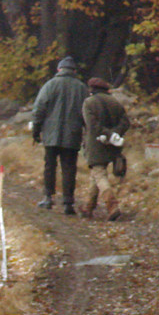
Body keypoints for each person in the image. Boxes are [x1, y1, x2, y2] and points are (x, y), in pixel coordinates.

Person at [31, 56, 88, 214]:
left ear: (59, 69)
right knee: (69, 168)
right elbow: (87, 113)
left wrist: (36, 131)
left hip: (50, 135)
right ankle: (68, 203)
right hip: (73, 134)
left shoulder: (50, 85)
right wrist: (87, 133)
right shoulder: (81, 88)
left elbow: (39, 109)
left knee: (50, 166)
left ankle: (48, 198)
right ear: (74, 71)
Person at [80, 77, 130, 221]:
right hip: (113, 146)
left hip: (96, 144)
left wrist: (107, 134)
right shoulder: (115, 102)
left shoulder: (88, 103)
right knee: (96, 175)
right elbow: (126, 122)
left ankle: (112, 206)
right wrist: (115, 134)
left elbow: (92, 125)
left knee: (99, 175)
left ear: (92, 89)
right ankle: (88, 207)